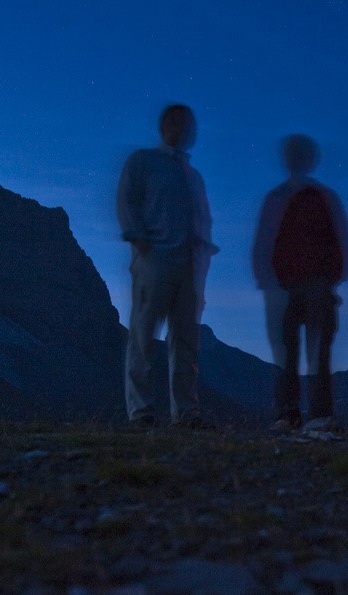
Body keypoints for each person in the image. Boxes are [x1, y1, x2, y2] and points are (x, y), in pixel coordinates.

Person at [116, 104, 219, 428]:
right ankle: (141, 412)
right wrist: (139, 240)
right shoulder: (143, 161)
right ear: (164, 126)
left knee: (186, 339)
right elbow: (127, 199)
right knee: (144, 335)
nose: (183, 130)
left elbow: (201, 217)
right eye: (176, 123)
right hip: (155, 259)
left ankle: (186, 413)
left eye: (187, 125)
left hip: (189, 265)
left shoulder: (192, 176)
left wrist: (202, 255)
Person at [252, 134, 348, 431]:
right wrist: (268, 281)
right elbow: (264, 243)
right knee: (291, 354)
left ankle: (313, 414)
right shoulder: (287, 198)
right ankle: (292, 414)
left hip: (312, 286)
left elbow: (337, 243)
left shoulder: (318, 198)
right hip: (286, 287)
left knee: (312, 352)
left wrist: (330, 279)